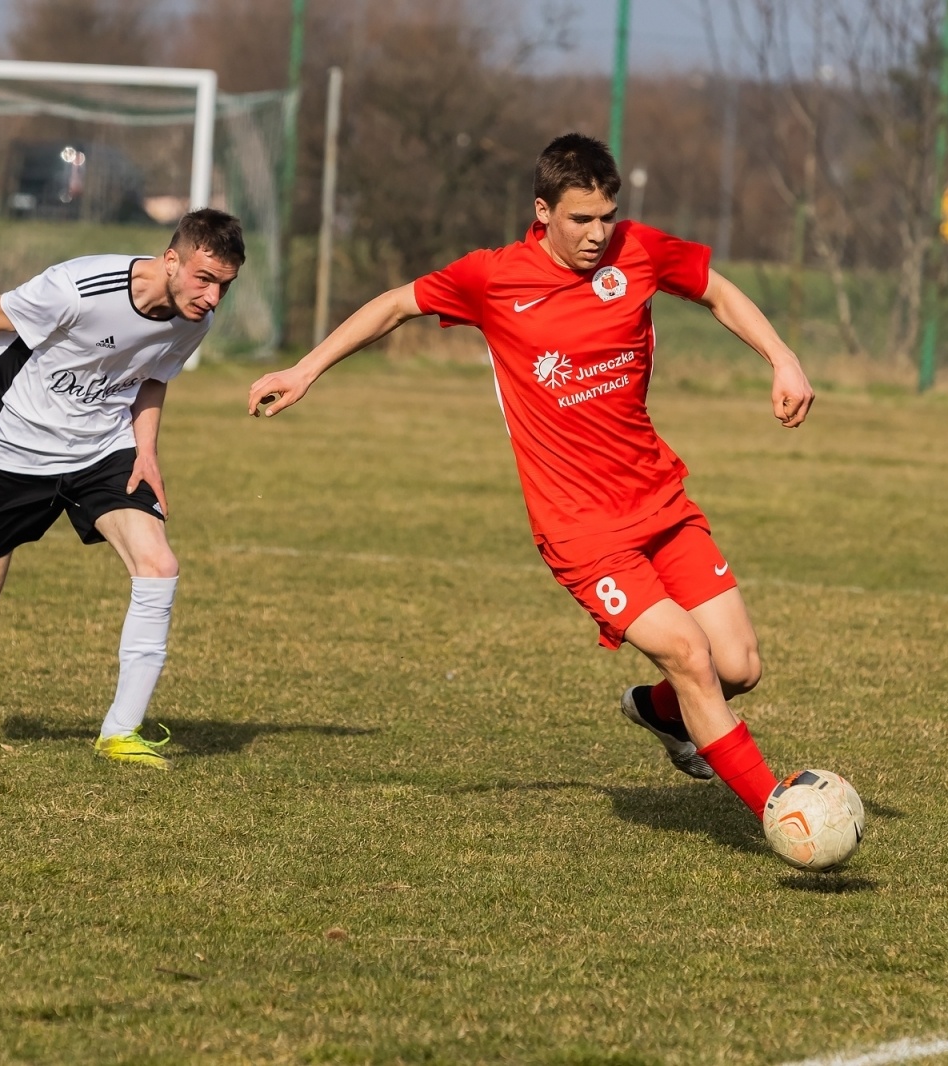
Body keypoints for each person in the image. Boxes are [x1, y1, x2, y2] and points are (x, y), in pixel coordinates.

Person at [248, 133, 815, 823]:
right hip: (581, 529)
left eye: (606, 216)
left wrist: (782, 358)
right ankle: (781, 813)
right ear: (542, 211)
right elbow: (396, 305)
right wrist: (304, 370)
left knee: (739, 668)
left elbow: (716, 291)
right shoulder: (493, 277)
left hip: (660, 499)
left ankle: (657, 712)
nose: (597, 234)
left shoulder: (636, 250)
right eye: (581, 219)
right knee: (691, 656)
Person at [0, 209, 244, 769]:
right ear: (172, 260)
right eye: (205, 279)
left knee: (158, 564)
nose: (213, 297)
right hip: (16, 444)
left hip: (102, 451)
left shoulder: (193, 320)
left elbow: (153, 376)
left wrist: (148, 454)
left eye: (224, 286)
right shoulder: (79, 288)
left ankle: (119, 732)